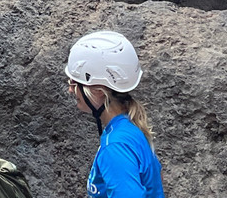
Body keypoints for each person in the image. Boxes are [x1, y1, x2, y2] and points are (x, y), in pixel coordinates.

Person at [65, 31, 165, 198]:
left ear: (98, 91)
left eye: (74, 82)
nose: (70, 89)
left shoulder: (116, 146)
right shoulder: (130, 127)